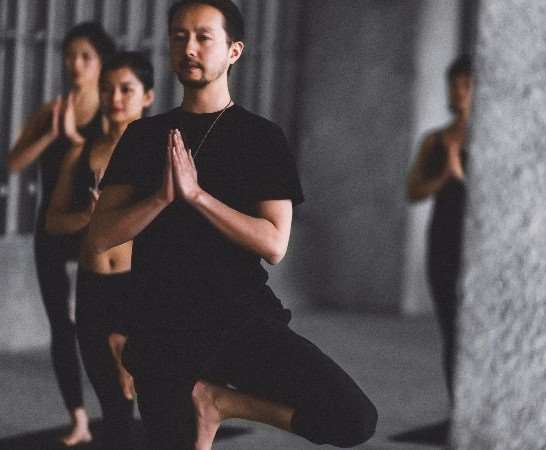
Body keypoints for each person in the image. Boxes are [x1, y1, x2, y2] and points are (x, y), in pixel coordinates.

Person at [84, 1, 378, 449]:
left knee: (353, 418)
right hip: (163, 329)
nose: (189, 48)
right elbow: (100, 237)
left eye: (203, 37)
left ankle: (219, 402)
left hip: (240, 320)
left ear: (234, 51)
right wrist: (162, 198)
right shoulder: (143, 137)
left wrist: (198, 197)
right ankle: (204, 402)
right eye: (179, 36)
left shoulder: (261, 138)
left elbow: (274, 244)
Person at [5, 22, 115, 447]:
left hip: (93, 232)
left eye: (85, 56)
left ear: (101, 63)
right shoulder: (51, 111)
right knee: (61, 326)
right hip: (51, 230)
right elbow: (13, 163)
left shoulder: (111, 116)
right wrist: (52, 134)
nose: (75, 64)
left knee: (99, 326)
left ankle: (118, 407)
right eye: (69, 55)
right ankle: (79, 418)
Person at [46, 51, 155, 450]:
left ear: (147, 96)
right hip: (93, 285)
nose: (115, 98)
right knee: (113, 403)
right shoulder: (81, 153)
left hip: (137, 287)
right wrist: (87, 217)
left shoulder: (160, 153)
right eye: (107, 89)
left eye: (126, 89)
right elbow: (52, 222)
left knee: (152, 394)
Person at [407, 55, 472, 403]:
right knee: (451, 329)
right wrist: (446, 176)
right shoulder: (435, 141)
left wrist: (462, 176)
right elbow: (413, 191)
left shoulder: (494, 140)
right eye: (454, 84)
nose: (459, 91)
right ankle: (457, 408)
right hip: (444, 242)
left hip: (478, 246)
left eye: (467, 84)